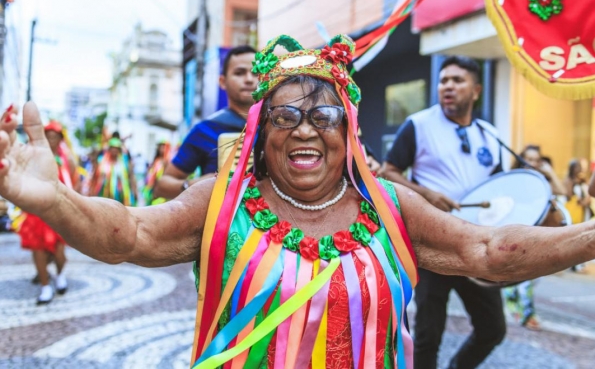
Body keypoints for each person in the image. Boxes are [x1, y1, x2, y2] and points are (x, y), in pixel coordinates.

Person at [3, 35, 595, 368]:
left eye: (324, 115)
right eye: (285, 116)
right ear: (261, 134)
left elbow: (490, 250)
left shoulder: (390, 206)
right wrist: (54, 201)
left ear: (350, 132)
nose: (306, 129)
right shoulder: (222, 201)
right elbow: (130, 233)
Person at [379, 55, 505, 369]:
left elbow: (501, 186)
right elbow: (387, 171)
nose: (447, 87)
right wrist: (427, 195)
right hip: (433, 243)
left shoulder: (490, 134)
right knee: (428, 334)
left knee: (493, 328)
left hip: (478, 245)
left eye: (457, 81)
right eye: (443, 81)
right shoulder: (419, 124)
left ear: (476, 91)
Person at [153, 46, 258, 199]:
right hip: (217, 221)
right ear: (223, 81)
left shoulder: (278, 127)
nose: (249, 79)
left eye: (256, 73)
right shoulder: (204, 130)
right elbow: (162, 186)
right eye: (239, 73)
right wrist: (192, 185)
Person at [13, 120, 79, 304]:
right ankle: (45, 286)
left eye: (54, 137)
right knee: (38, 251)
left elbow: (75, 184)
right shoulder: (33, 157)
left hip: (60, 212)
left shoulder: (68, 160)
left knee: (59, 254)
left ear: (60, 139)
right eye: (48, 136)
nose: (51, 140)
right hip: (38, 212)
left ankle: (59, 275)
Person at [503, 145, 566, 330]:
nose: (531, 163)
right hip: (514, 231)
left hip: (535, 232)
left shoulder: (542, 181)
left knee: (528, 275)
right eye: (528, 158)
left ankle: (519, 310)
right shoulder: (513, 178)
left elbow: (563, 191)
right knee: (517, 274)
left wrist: (549, 172)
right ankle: (524, 313)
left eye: (535, 160)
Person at [88, 137, 137, 206]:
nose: (114, 150)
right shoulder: (102, 161)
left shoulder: (124, 163)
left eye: (116, 148)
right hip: (103, 196)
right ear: (109, 149)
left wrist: (134, 191)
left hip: (119, 197)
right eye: (113, 148)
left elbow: (130, 177)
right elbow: (95, 176)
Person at [143, 140, 171, 205]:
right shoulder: (155, 160)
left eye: (164, 147)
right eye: (160, 146)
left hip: (161, 189)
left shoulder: (168, 161)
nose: (162, 149)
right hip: (152, 188)